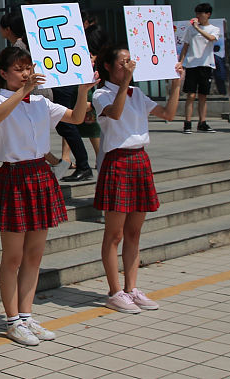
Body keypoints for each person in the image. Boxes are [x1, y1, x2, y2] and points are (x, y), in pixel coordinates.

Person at [0, 45, 96, 347]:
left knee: (34, 255)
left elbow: (76, 118)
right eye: (19, 69)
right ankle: (12, 320)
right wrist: (24, 91)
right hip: (13, 176)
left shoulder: (41, 102)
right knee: (13, 256)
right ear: (3, 73)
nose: (25, 73)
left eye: (28, 68)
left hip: (39, 175)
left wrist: (83, 91)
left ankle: (26, 315)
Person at [92, 46, 181, 315]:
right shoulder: (101, 94)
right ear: (108, 66)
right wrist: (126, 82)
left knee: (134, 232)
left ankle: (132, 288)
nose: (128, 66)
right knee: (115, 233)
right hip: (117, 160)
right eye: (122, 62)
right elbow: (116, 113)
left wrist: (176, 84)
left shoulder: (137, 93)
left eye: (130, 61)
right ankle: (114, 291)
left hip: (140, 159)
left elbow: (168, 114)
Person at [181, 3, 219, 134]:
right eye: (196, 13)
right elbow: (185, 47)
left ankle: (202, 123)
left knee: (203, 95)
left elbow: (211, 38)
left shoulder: (214, 29)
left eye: (200, 13)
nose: (198, 16)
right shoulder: (190, 30)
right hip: (192, 65)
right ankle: (187, 123)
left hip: (206, 65)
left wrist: (197, 28)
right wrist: (181, 62)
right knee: (191, 95)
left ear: (208, 14)